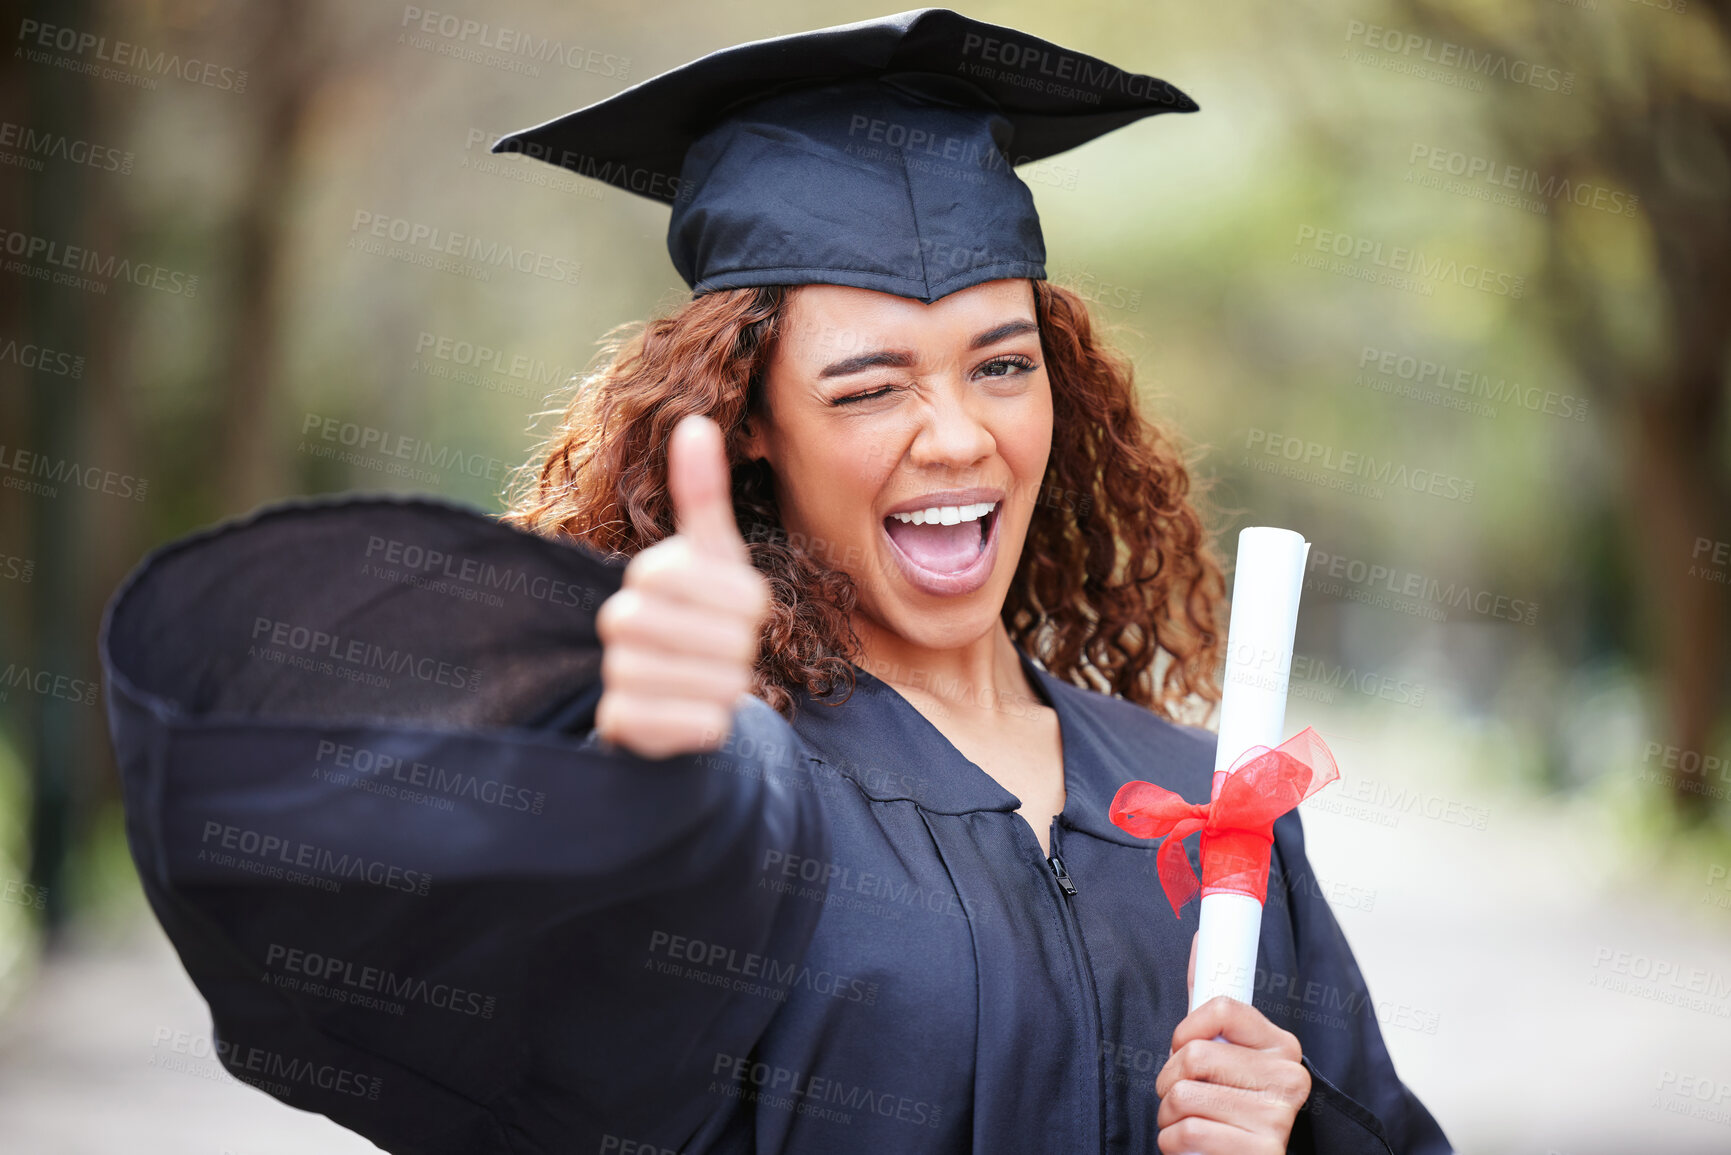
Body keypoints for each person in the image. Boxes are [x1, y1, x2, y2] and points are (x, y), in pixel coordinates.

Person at [99, 9, 1452, 1154]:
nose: (959, 435)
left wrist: (1298, 1126)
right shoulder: (742, 798)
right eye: (867, 387)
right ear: (751, 425)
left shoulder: (1210, 807)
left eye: (1002, 363)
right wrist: (638, 768)